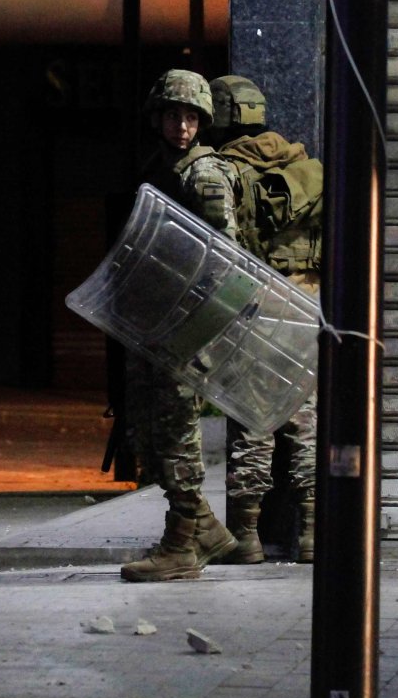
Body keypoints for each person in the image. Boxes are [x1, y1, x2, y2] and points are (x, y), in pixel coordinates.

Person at [180, 75, 322, 565]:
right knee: (305, 424)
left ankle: (247, 537)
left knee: (252, 425)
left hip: (253, 307)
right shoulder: (304, 167)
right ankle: (309, 535)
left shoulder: (223, 170)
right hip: (304, 306)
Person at [119, 69, 237, 582]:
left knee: (177, 434)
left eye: (191, 117)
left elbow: (224, 258)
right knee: (150, 430)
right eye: (173, 115)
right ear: (157, 118)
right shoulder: (160, 168)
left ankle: (182, 545)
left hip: (187, 325)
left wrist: (190, 317)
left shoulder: (205, 176)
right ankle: (205, 528)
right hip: (157, 321)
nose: (182, 126)